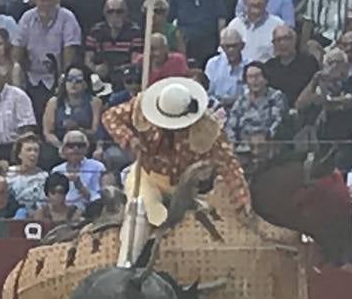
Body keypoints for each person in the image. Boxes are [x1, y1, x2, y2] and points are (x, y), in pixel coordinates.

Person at [101, 75, 251, 265]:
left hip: (185, 186)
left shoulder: (208, 128)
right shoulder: (141, 106)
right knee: (139, 210)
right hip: (147, 176)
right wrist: (129, 138)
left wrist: (241, 200)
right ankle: (124, 267)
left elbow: (229, 165)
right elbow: (109, 116)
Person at [16, 0, 80, 118]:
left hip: (56, 75)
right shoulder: (27, 18)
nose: (46, 5)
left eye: (50, 1)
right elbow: (18, 48)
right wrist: (21, 67)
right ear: (35, 1)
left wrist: (63, 78)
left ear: (56, 0)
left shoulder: (67, 17)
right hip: (32, 75)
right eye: (42, 1)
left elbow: (70, 49)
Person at [167, 0, 227, 67]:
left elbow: (221, 18)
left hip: (209, 43)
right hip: (184, 44)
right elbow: (169, 21)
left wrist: (222, 42)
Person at [225, 61, 287, 155]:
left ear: (266, 79)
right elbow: (231, 125)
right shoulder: (242, 100)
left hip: (268, 145)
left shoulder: (276, 97)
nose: (254, 80)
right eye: (250, 77)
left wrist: (265, 136)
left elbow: (278, 121)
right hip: (243, 147)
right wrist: (232, 143)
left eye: (258, 76)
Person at [83, 0, 142, 85]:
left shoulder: (134, 32)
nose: (115, 15)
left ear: (126, 13)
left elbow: (135, 60)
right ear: (105, 13)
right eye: (110, 11)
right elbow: (88, 60)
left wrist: (118, 70)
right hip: (100, 80)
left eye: (119, 11)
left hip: (125, 79)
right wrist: (95, 68)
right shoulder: (95, 31)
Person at [41, 65, 98, 153]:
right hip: (58, 144)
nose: (73, 83)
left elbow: (96, 132)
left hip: (85, 144)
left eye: (78, 81)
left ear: (86, 84)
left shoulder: (94, 102)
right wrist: (60, 147)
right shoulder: (53, 102)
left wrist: (78, 129)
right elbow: (48, 133)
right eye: (70, 79)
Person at [225, 0, 283, 64]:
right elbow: (224, 53)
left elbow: (283, 54)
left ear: (266, 2)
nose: (257, 2)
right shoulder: (234, 25)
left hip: (267, 72)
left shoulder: (277, 24)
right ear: (245, 2)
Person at [264, 23, 317, 104]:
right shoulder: (269, 66)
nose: (282, 43)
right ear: (274, 44)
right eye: (278, 40)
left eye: (286, 38)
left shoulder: (309, 62)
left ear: (294, 40)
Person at [50, 128, 102, 209]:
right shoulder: (56, 171)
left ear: (86, 149)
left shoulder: (97, 167)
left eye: (80, 145)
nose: (75, 149)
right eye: (71, 146)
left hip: (89, 212)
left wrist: (80, 187)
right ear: (64, 149)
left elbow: (99, 199)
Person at [205, 28, 245, 108]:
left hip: (242, 109)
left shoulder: (250, 65)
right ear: (222, 47)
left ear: (242, 46)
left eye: (234, 46)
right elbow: (207, 92)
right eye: (227, 46)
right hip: (216, 109)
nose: (231, 50)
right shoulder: (213, 64)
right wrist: (218, 104)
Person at [5, 133, 46, 211]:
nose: (33, 154)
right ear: (19, 154)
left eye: (36, 150)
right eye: (29, 150)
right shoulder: (8, 174)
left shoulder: (45, 177)